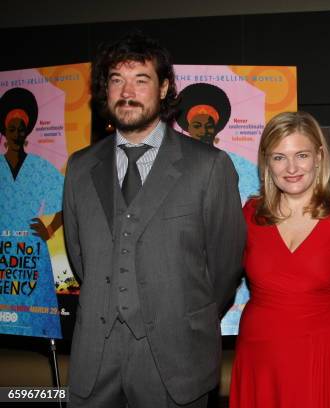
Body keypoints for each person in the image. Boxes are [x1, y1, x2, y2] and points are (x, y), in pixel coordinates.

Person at [63, 32, 245, 407]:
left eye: (140, 80)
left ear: (163, 88)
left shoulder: (208, 166)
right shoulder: (80, 167)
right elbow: (80, 257)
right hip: (95, 357)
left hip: (175, 358)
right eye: (116, 80)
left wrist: (177, 309)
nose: (126, 91)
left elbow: (225, 267)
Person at [230, 111, 330, 408]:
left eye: (302, 155)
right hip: (259, 355)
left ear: (319, 157)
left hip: (322, 355)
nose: (291, 168)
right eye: (279, 157)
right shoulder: (249, 215)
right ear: (266, 162)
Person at [0, 87, 63, 338]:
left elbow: (67, 203)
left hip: (32, 255)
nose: (17, 134)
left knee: (37, 321)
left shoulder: (40, 167)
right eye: (12, 129)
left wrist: (49, 230)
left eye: (21, 129)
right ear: (4, 132)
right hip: (3, 254)